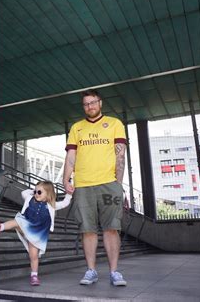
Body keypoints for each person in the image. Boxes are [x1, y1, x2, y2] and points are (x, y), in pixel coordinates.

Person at [63, 89, 128, 286]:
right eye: (86, 104)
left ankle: (114, 272)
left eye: (93, 102)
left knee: (111, 228)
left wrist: (118, 182)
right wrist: (66, 179)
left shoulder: (115, 124)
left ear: (100, 103)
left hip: (109, 184)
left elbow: (120, 154)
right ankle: (91, 270)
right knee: (87, 230)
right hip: (83, 186)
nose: (90, 106)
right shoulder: (77, 128)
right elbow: (71, 156)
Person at [0, 181, 72, 286]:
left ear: (48, 193)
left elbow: (65, 203)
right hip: (26, 224)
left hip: (36, 234)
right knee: (17, 221)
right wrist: (33, 191)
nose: (36, 193)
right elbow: (23, 193)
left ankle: (34, 276)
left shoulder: (51, 205)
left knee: (34, 256)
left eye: (39, 192)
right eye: (36, 191)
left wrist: (69, 194)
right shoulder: (30, 198)